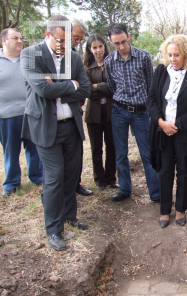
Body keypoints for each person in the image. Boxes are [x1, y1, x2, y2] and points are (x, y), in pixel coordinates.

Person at [20, 15, 91, 251]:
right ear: (48, 34)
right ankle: (54, 229)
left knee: (71, 174)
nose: (65, 45)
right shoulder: (31, 54)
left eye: (69, 40)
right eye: (61, 40)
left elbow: (86, 89)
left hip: (71, 125)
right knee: (54, 177)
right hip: (45, 127)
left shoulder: (72, 56)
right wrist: (71, 85)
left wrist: (58, 87)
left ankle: (69, 216)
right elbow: (41, 89)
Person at [147, 35, 187, 228]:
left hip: (185, 132)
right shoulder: (160, 71)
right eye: (170, 55)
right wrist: (161, 123)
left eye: (177, 55)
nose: (172, 59)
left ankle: (181, 209)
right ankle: (165, 210)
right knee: (165, 170)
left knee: (183, 170)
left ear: (186, 55)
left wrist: (178, 125)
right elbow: (151, 100)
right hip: (163, 131)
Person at [104, 23, 160, 202]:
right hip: (119, 111)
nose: (121, 46)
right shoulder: (109, 62)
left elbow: (151, 86)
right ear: (111, 42)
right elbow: (113, 87)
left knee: (147, 152)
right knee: (120, 153)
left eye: (123, 42)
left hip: (141, 113)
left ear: (128, 36)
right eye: (116, 44)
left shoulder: (143, 56)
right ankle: (125, 189)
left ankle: (156, 193)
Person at [0, 28, 43, 197]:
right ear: (4, 41)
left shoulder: (28, 59)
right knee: (10, 149)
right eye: (15, 38)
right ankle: (11, 182)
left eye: (20, 38)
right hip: (6, 115)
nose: (20, 41)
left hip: (30, 112)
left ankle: (37, 176)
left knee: (34, 148)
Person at [83, 34, 119, 191]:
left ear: (105, 46)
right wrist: (103, 87)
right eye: (94, 47)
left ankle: (111, 178)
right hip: (94, 114)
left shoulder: (113, 63)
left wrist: (97, 86)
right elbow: (88, 91)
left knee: (112, 146)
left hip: (112, 112)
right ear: (90, 49)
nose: (98, 50)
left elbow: (115, 87)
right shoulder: (86, 67)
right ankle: (99, 179)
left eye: (100, 46)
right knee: (96, 148)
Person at [70, 18, 93, 196]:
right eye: (76, 37)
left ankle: (76, 183)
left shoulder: (76, 56)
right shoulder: (50, 56)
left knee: (76, 154)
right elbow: (48, 89)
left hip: (75, 112)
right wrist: (71, 86)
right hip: (56, 114)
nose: (78, 42)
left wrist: (75, 87)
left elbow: (85, 89)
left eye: (80, 39)